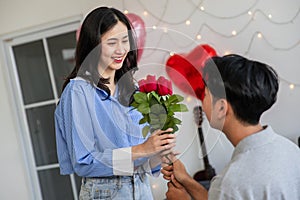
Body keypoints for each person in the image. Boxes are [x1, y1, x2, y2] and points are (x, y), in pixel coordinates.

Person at [54, 7, 175, 200]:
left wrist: (158, 153)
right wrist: (142, 149)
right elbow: (83, 162)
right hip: (104, 193)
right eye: (112, 42)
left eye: (125, 41)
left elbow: (139, 160)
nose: (121, 50)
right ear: (93, 45)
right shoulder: (78, 91)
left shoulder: (131, 89)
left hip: (142, 190)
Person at [161, 54, 300, 200]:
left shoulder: (231, 182)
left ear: (221, 108)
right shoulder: (290, 149)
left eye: (206, 95)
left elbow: (226, 193)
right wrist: (186, 179)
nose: (202, 100)